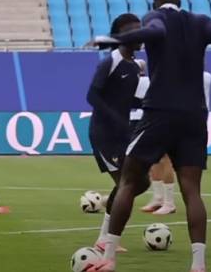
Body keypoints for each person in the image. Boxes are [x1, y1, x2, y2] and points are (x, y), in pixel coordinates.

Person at [90, 0, 211, 272]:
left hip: (160, 112)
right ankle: (198, 265)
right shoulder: (200, 21)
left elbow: (154, 32)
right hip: (194, 116)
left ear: (155, 3)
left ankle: (109, 256)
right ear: (179, 0)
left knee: (129, 181)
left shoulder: (156, 18)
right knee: (192, 191)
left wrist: (114, 39)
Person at [85, 14, 142, 253]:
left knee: (138, 183)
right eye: (134, 30)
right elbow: (92, 95)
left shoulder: (133, 66)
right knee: (126, 183)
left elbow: (127, 100)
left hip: (122, 134)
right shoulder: (111, 62)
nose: (140, 34)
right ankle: (106, 240)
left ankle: (105, 237)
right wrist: (116, 118)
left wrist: (147, 105)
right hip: (104, 134)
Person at [141, 71, 211, 216]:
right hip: (173, 117)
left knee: (166, 159)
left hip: (185, 120)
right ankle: (158, 198)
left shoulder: (202, 76)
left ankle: (169, 202)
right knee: (157, 159)